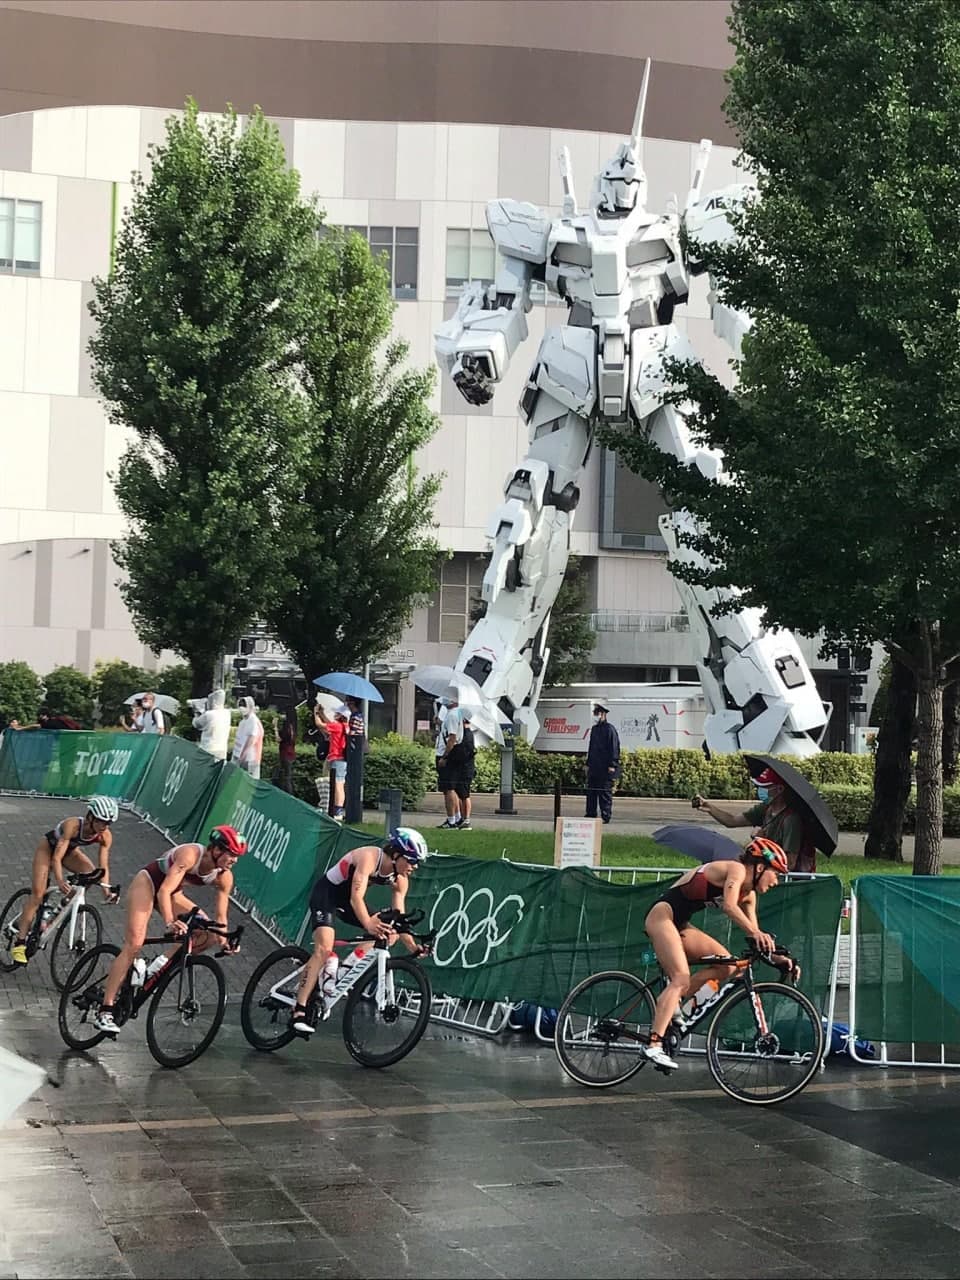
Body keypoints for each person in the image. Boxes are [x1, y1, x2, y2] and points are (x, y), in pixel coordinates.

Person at [641, 836, 792, 1070]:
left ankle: (675, 1005)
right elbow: (730, 906)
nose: (777, 881)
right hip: (662, 916)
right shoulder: (737, 870)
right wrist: (756, 932)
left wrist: (780, 959)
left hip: (681, 924)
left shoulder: (749, 896)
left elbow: (756, 937)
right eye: (777, 873)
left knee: (728, 967)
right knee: (680, 978)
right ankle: (653, 1045)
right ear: (760, 866)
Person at [93, 824, 246, 1036]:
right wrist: (169, 923)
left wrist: (226, 941)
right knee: (135, 943)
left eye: (237, 856)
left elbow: (221, 918)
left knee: (208, 932)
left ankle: (159, 965)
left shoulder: (224, 876)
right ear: (217, 849)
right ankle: (105, 1010)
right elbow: (163, 891)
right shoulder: (190, 854)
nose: (234, 860)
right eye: (231, 854)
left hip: (174, 894)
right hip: (149, 884)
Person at [291, 827, 430, 1034]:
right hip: (327, 896)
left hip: (348, 904)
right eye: (411, 860)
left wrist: (412, 946)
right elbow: (356, 897)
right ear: (396, 855)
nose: (414, 866)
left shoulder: (400, 879)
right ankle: (298, 1009)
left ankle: (341, 972)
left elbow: (398, 918)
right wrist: (368, 924)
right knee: (323, 947)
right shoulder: (369, 857)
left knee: (390, 933)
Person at [10, 795, 119, 966]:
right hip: (48, 850)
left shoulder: (105, 836)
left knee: (91, 875)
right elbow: (56, 858)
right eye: (101, 821)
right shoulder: (73, 826)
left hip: (71, 852)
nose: (104, 826)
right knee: (38, 895)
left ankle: (59, 909)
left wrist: (106, 891)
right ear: (90, 817)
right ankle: (19, 943)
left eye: (107, 823)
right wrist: (60, 881)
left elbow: (102, 866)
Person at [693, 766, 817, 873]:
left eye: (765, 787)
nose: (760, 790)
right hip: (765, 871)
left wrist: (763, 843)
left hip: (786, 881)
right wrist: (710, 808)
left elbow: (789, 863)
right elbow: (732, 821)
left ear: (780, 789)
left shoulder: (791, 820)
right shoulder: (765, 808)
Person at [585, 702, 620, 824]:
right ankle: (590, 813)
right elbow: (591, 748)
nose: (595, 716)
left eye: (597, 713)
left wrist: (612, 765)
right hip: (594, 766)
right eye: (594, 713)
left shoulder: (610, 729)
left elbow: (614, 747)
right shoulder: (594, 729)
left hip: (606, 767)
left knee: (605, 793)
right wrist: (588, 764)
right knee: (591, 791)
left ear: (603, 714)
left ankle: (606, 816)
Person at [435, 687, 465, 829]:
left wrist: (444, 757)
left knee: (448, 788)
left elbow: (452, 737)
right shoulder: (456, 714)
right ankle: (457, 818)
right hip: (452, 755)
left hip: (447, 755)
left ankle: (451, 819)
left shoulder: (453, 715)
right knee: (449, 787)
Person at [313, 702, 348, 820]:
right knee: (339, 784)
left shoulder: (337, 726)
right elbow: (329, 723)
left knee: (338, 785)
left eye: (337, 713)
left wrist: (316, 713)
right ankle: (336, 808)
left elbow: (319, 725)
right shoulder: (344, 726)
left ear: (341, 715)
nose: (335, 714)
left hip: (336, 758)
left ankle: (337, 810)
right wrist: (322, 713)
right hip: (340, 758)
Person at [446, 713, 476, 830]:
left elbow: (463, 752)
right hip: (465, 768)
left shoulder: (466, 735)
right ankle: (463, 819)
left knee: (464, 794)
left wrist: (449, 756)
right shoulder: (469, 734)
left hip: (464, 769)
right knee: (462, 794)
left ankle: (466, 819)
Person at [231, 696, 264, 779]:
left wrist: (243, 755)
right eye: (240, 705)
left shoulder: (253, 721)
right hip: (239, 757)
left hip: (250, 759)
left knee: (249, 783)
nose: (241, 708)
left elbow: (252, 738)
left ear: (250, 707)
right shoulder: (243, 722)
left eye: (244, 705)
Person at [192, 689, 230, 759]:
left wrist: (197, 712)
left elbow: (196, 724)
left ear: (214, 701)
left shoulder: (209, 714)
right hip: (222, 749)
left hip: (208, 748)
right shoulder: (227, 713)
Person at [275, 707, 298, 793]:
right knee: (288, 776)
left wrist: (275, 727)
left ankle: (287, 793)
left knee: (285, 777)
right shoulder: (293, 727)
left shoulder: (286, 727)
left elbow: (279, 739)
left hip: (285, 754)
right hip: (291, 754)